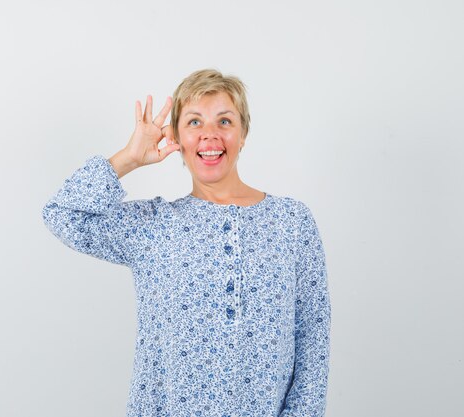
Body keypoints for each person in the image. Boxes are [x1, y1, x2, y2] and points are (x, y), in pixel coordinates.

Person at [42, 69, 331, 417]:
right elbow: (61, 214)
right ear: (177, 137)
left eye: (224, 121)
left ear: (243, 134)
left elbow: (313, 338)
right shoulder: (152, 226)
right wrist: (130, 157)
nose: (210, 135)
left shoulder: (292, 222)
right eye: (194, 122)